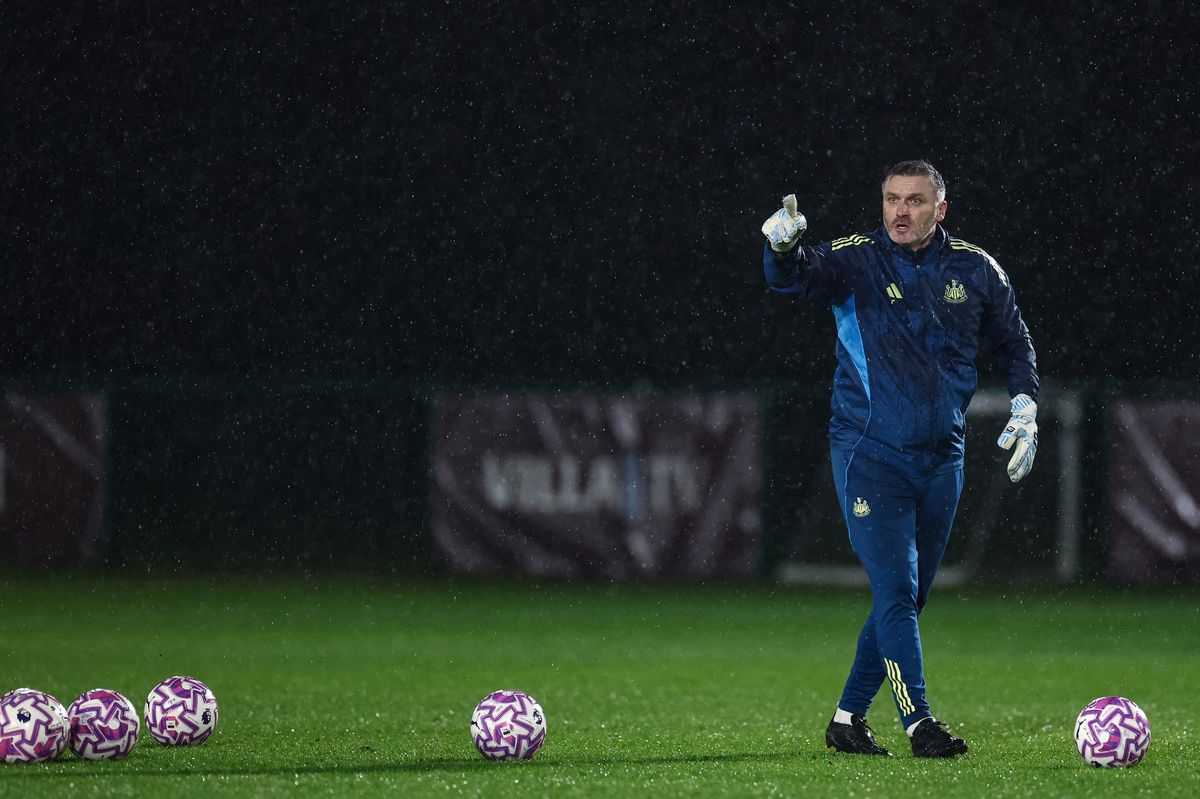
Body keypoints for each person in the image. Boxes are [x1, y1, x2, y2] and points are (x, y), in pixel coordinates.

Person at [760, 160, 1039, 758]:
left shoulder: (976, 267)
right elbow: (795, 277)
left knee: (908, 598)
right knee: (895, 589)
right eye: (891, 199)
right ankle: (919, 724)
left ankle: (846, 719)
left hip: (943, 458)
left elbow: (1015, 342)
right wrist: (781, 248)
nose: (899, 212)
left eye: (914, 201)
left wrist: (1025, 404)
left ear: (941, 210)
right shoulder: (857, 259)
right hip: (869, 453)